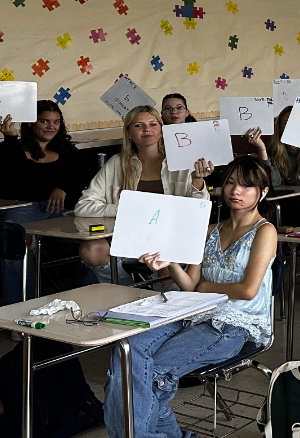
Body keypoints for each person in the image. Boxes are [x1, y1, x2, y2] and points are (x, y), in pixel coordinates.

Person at [104, 156, 277, 438]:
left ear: (263, 191)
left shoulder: (264, 231)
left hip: (236, 325)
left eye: (247, 186)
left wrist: (206, 289)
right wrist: (169, 261)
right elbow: (190, 285)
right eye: (231, 183)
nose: (236, 191)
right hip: (193, 311)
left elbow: (248, 290)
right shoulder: (210, 231)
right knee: (125, 352)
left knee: (153, 373)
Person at [75, 106, 212, 285]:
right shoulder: (117, 163)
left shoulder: (181, 161)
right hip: (128, 239)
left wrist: (197, 181)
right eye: (139, 125)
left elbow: (199, 210)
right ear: (129, 132)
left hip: (168, 237)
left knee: (165, 265)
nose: (147, 130)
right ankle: (124, 290)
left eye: (153, 124)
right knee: (91, 249)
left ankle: (158, 297)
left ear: (162, 130)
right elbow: (83, 206)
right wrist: (125, 209)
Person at [0, 101, 86, 305]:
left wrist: (64, 187)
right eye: (44, 121)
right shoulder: (10, 148)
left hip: (59, 212)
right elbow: (2, 181)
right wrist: (10, 139)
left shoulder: (68, 151)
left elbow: (83, 177)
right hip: (19, 211)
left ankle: (83, 303)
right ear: (29, 123)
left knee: (94, 242)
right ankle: (18, 313)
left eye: (56, 122)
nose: (50, 126)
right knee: (17, 240)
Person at [247, 105, 300, 228]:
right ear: (280, 128)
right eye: (287, 122)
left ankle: (297, 246)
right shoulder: (276, 150)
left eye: (296, 122)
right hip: (286, 201)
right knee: (262, 208)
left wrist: (294, 196)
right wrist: (262, 149)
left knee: (288, 209)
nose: (291, 126)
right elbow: (273, 183)